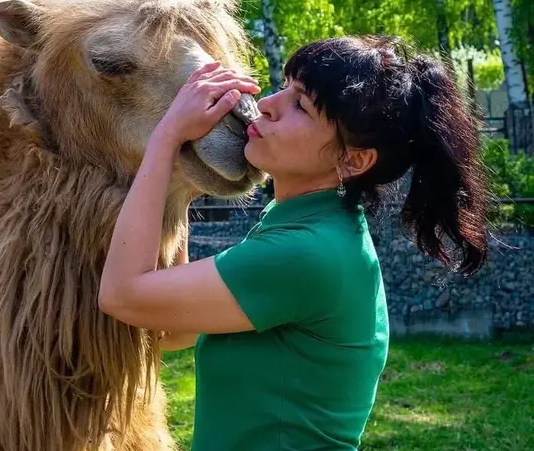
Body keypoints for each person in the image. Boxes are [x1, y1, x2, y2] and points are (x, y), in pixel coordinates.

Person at [98, 35, 489, 450]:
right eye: (284, 85)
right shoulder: (311, 230)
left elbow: (123, 295)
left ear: (354, 159)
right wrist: (182, 176)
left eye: (300, 104)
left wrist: (166, 137)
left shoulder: (308, 254)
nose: (268, 103)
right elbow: (175, 331)